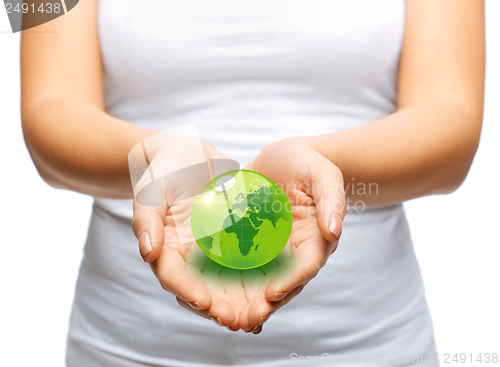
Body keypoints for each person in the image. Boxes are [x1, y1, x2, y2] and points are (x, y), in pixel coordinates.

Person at [20, 0, 485, 366]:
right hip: (123, 345)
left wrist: (323, 167)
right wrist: (159, 159)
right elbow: (46, 108)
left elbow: (455, 125)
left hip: (370, 342)